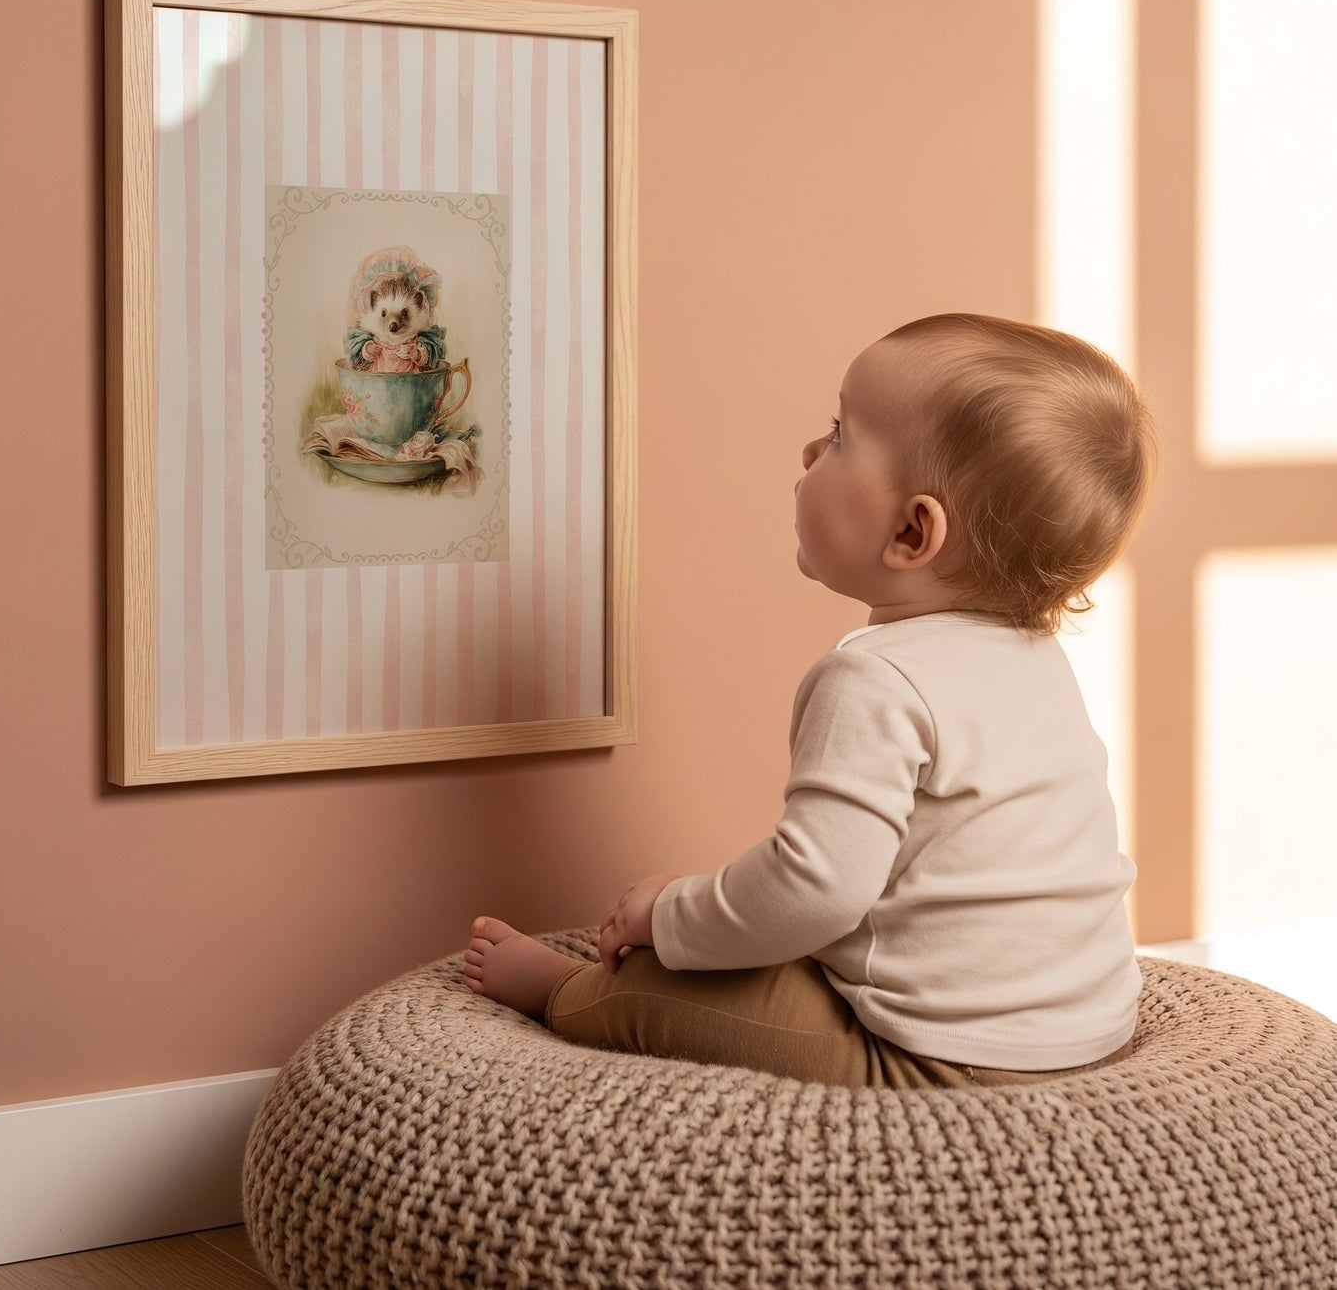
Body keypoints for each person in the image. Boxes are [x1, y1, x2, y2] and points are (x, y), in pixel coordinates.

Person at [463, 313, 1160, 1088]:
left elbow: (812, 891)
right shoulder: (1034, 660)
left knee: (685, 985)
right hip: (1090, 1028)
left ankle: (563, 995)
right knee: (757, 935)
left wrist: (666, 912)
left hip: (935, 1059)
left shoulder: (875, 679)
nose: (807, 450)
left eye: (838, 433)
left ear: (910, 531)